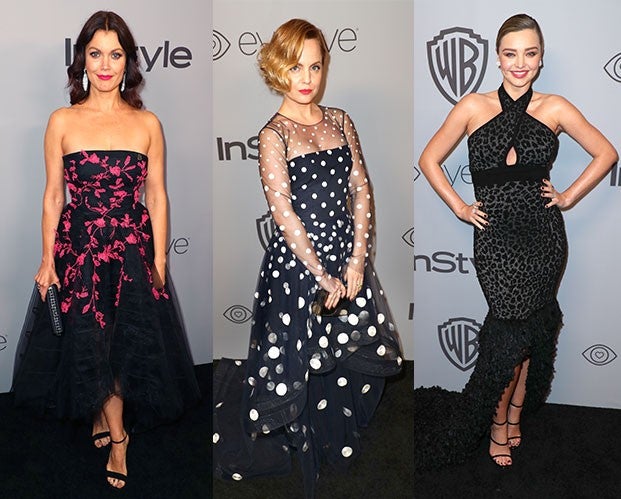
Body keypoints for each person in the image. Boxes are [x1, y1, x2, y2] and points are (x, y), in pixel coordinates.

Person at [414, 13, 618, 469]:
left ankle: (512, 416)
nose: (520, 63)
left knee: (529, 335)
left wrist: (567, 196)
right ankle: (495, 420)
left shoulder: (556, 107)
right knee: (509, 335)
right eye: (511, 54)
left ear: (541, 58)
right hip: (495, 241)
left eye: (530, 53)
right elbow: (429, 159)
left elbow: (607, 152)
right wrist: (460, 207)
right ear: (497, 58)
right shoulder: (472, 106)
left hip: (543, 238)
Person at [213, 19, 402, 497]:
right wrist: (321, 274)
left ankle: (332, 424)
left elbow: (361, 189)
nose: (307, 78)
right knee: (301, 353)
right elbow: (284, 214)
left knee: (341, 347)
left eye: (315, 66)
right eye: (296, 67)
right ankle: (302, 435)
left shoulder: (340, 120)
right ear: (278, 68)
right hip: (299, 267)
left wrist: (356, 261)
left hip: (345, 256)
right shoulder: (273, 135)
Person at [12, 11, 200, 488]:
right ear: (83, 59)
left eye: (115, 55)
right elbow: (54, 196)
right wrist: (47, 259)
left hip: (131, 249)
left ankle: (116, 433)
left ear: (127, 62)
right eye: (95, 54)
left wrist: (160, 259)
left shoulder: (147, 123)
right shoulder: (62, 121)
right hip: (79, 248)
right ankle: (117, 432)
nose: (104, 65)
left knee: (121, 342)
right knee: (91, 339)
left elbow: (156, 195)